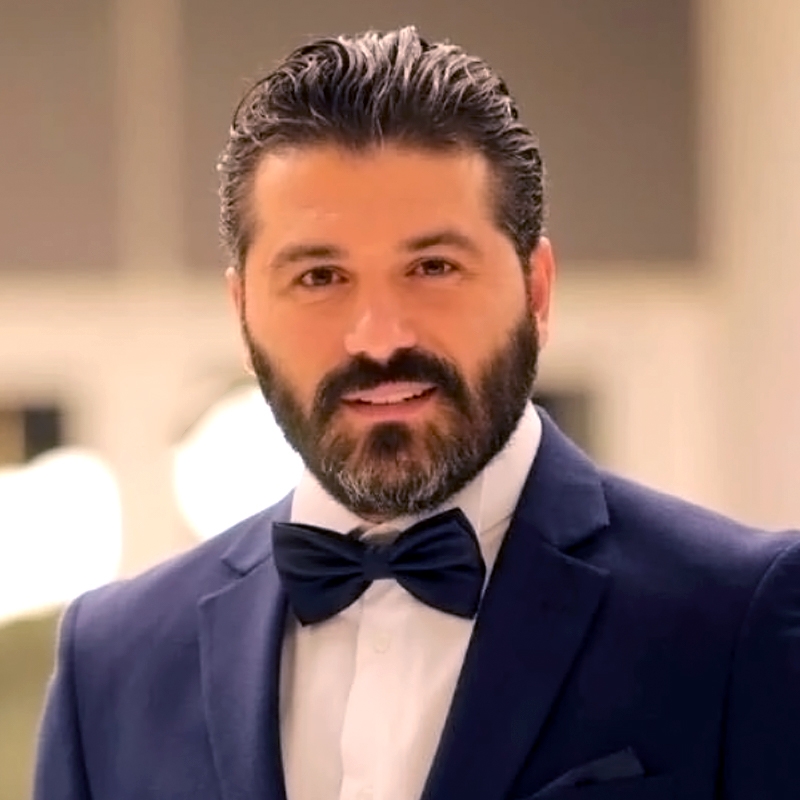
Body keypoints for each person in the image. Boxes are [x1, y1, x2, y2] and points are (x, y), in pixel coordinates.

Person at [35, 26, 800, 800]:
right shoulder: (109, 663)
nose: (379, 337)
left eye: (433, 267)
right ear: (241, 314)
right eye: (319, 276)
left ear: (536, 292)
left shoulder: (738, 616)